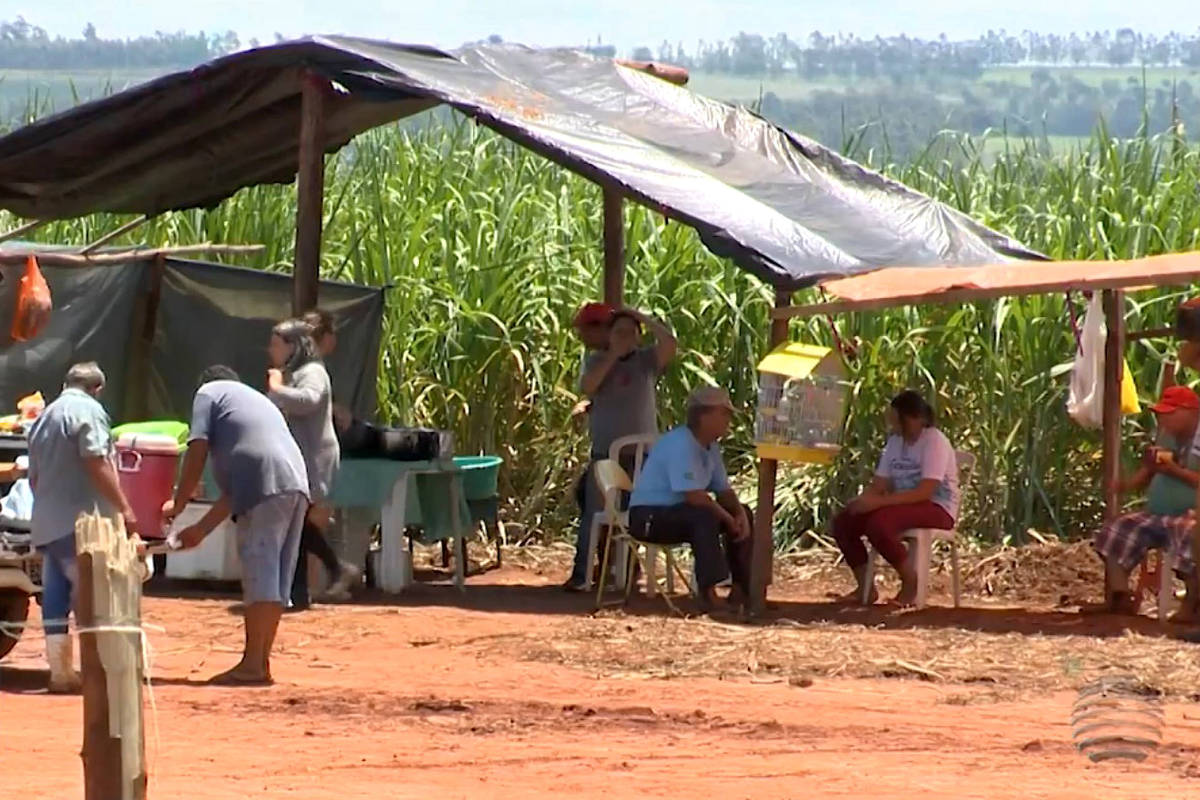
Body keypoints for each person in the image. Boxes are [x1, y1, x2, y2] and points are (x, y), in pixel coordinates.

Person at [163, 365, 309, 685]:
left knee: (260, 570)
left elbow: (197, 447)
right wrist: (200, 529)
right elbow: (236, 491)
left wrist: (179, 501)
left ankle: (253, 665)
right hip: (294, 484)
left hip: (267, 484)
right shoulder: (254, 404)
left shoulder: (208, 393)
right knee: (273, 574)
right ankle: (259, 661)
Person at [27, 362, 139, 693]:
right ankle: (98, 673)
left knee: (56, 595)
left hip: (48, 520)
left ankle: (60, 672)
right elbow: (95, 460)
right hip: (83, 523)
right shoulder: (89, 410)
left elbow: (33, 478)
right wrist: (125, 508)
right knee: (91, 595)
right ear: (97, 389)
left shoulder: (43, 418)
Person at [565, 306, 677, 591]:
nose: (625, 338)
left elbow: (669, 344)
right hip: (606, 456)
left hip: (643, 459)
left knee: (632, 516)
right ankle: (582, 575)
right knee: (595, 513)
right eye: (618, 332)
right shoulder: (597, 361)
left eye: (630, 333)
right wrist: (614, 353)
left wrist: (643, 319)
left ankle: (627, 570)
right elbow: (588, 386)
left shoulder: (646, 362)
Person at [627, 386, 753, 610]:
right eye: (724, 413)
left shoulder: (710, 446)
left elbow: (723, 490)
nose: (728, 419)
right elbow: (695, 497)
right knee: (703, 517)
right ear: (705, 416)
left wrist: (738, 514)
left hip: (681, 513)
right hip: (649, 518)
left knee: (742, 513)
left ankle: (742, 588)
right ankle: (708, 591)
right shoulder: (681, 444)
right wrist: (727, 519)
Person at [832, 390, 959, 607]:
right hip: (901, 505)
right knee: (844, 521)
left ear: (914, 418)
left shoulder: (934, 441)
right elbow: (879, 484)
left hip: (937, 508)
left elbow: (925, 492)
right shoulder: (894, 442)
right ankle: (865, 586)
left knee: (879, 524)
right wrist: (863, 501)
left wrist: (878, 503)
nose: (893, 425)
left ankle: (910, 580)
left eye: (898, 419)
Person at [267, 318, 357, 608]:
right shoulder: (293, 372)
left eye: (276, 344)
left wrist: (276, 387)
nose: (271, 350)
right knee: (298, 522)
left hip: (316, 458)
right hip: (301, 456)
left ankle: (331, 571)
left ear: (294, 346)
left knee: (298, 522)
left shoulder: (312, 371)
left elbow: (309, 400)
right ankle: (304, 589)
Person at [1092, 386, 1200, 617]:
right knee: (1116, 529)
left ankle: (1191, 604)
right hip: (1157, 514)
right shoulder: (1168, 437)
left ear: (1190, 411)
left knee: (1188, 536)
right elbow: (1149, 472)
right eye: (1161, 414)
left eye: (1169, 414)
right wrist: (1126, 485)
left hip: (1190, 515)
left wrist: (1173, 470)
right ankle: (1120, 597)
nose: (1162, 419)